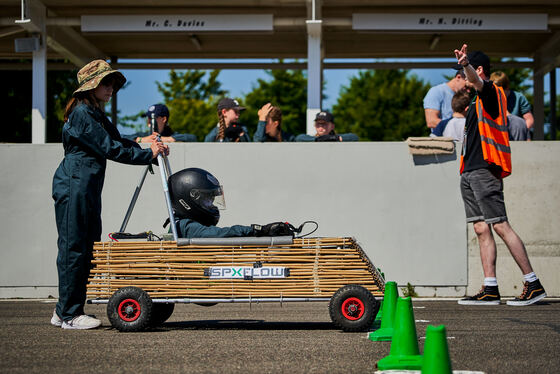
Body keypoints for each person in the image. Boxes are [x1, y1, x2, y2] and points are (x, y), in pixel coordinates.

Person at [51, 60, 169, 329]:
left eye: (113, 83)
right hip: (75, 184)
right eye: (106, 82)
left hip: (85, 185)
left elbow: (118, 141)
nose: (111, 88)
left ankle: (63, 310)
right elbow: (110, 148)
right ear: (90, 86)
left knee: (86, 246)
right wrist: (146, 154)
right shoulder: (82, 113)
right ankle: (70, 314)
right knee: (74, 248)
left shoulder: (94, 113)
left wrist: (147, 146)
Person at [453, 45, 546, 306]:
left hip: (485, 169)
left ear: (478, 70)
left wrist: (466, 65)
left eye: (462, 72)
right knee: (481, 228)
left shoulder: (491, 93)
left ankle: (532, 283)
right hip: (470, 171)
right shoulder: (473, 103)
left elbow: (477, 81)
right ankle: (490, 288)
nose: (460, 78)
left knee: (500, 225)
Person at [168, 168, 292, 238]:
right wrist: (258, 230)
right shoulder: (182, 226)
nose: (212, 204)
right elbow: (219, 234)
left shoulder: (188, 225)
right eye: (207, 200)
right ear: (188, 200)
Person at [126, 103, 197, 143]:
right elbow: (121, 138)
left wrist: (163, 139)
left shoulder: (172, 135)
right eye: (148, 118)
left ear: (164, 119)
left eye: (152, 118)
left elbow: (192, 138)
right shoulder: (142, 135)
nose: (148, 121)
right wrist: (141, 140)